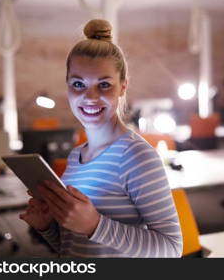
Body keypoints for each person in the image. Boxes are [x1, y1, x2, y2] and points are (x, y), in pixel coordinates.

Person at [19, 19, 182, 258]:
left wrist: (94, 225)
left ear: (123, 87)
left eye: (104, 85)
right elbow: (78, 248)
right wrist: (47, 226)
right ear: (67, 86)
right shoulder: (76, 157)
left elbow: (172, 249)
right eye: (78, 84)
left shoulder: (136, 156)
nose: (90, 97)